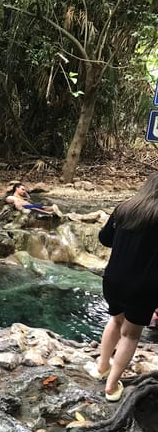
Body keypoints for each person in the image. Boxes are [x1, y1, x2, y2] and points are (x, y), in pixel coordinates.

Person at [86, 172, 158, 402]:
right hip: (144, 286)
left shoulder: (124, 208)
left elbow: (105, 239)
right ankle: (111, 385)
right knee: (130, 335)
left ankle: (101, 367)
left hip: (113, 280)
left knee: (115, 321)